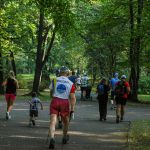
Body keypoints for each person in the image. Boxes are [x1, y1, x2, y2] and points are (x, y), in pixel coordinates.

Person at [49, 66, 76, 149]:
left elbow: (51, 92)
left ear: (59, 72)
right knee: (66, 121)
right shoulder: (70, 83)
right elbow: (72, 97)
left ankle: (52, 138)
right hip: (64, 102)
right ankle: (64, 136)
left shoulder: (54, 80)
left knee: (53, 121)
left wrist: (53, 97)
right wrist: (72, 109)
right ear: (67, 73)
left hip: (55, 100)